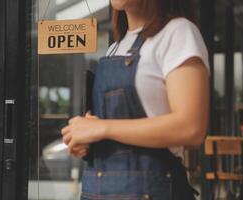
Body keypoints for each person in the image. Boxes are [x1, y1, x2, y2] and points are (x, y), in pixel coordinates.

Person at [61, 0, 209, 199]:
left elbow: (191, 128)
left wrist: (103, 128)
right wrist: (88, 142)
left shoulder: (178, 33)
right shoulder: (114, 48)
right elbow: (109, 130)